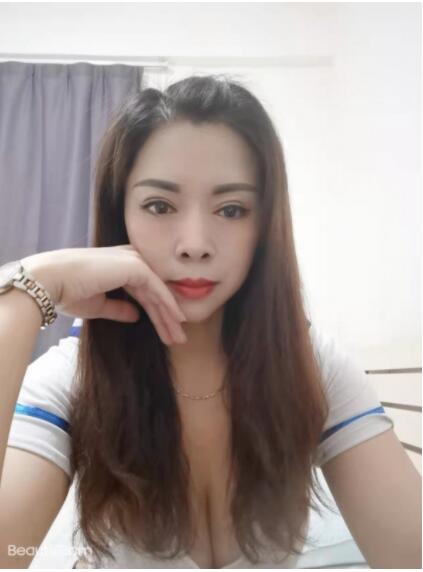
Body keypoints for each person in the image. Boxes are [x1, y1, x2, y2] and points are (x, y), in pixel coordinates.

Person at [0, 75, 419, 569]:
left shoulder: (314, 369)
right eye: (160, 206)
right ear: (120, 215)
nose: (195, 244)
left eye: (232, 209)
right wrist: (31, 288)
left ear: (265, 225)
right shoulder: (72, 379)